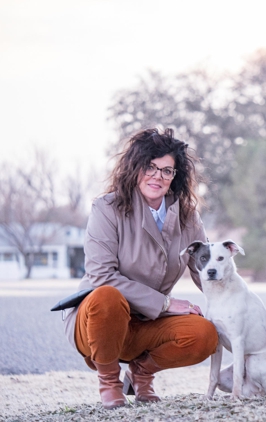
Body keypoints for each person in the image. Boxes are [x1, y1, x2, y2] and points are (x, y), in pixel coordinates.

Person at [62, 128, 219, 409]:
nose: (157, 176)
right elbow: (100, 276)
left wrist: (255, 321)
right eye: (150, 167)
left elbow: (206, 272)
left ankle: (142, 373)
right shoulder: (106, 208)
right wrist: (167, 303)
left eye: (167, 171)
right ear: (135, 167)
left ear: (175, 177)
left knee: (204, 334)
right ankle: (110, 382)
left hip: (146, 326)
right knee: (106, 295)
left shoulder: (188, 216)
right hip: (98, 322)